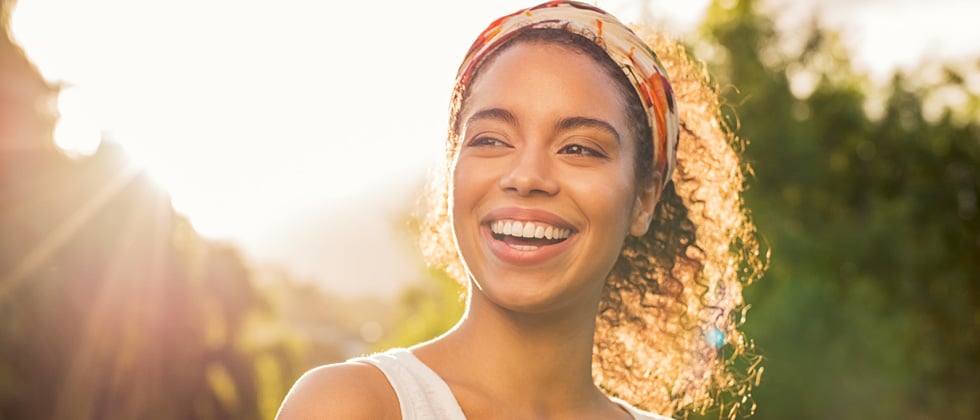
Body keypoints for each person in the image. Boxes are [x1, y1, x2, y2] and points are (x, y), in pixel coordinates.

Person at [277, 1, 764, 418]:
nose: (527, 176)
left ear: (644, 199)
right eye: (491, 140)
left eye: (579, 148)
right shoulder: (354, 406)